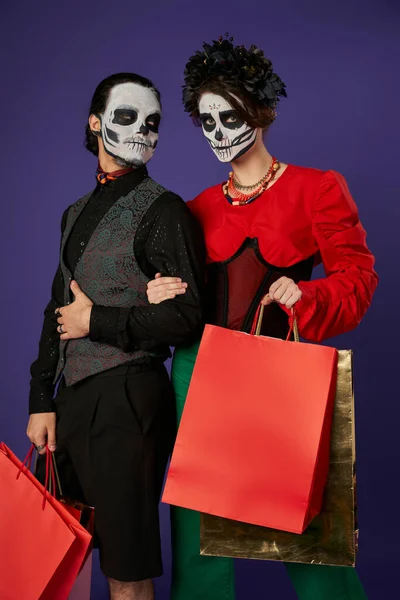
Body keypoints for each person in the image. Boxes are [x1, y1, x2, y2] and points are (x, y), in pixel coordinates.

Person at [146, 36, 378, 600]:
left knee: (307, 530)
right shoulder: (195, 207)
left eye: (229, 114)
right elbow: (183, 301)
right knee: (197, 535)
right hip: (198, 374)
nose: (219, 132)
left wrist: (307, 294)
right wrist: (159, 292)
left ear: (260, 109)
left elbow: (359, 278)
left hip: (280, 376)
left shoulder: (316, 188)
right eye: (206, 121)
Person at [26, 72, 205, 600]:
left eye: (153, 122)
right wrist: (41, 399)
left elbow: (188, 317)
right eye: (128, 117)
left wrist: (97, 320)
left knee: (126, 565)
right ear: (96, 122)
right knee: (63, 555)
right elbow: (56, 307)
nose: (143, 131)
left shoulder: (166, 211)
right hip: (71, 399)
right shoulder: (73, 213)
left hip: (129, 398)